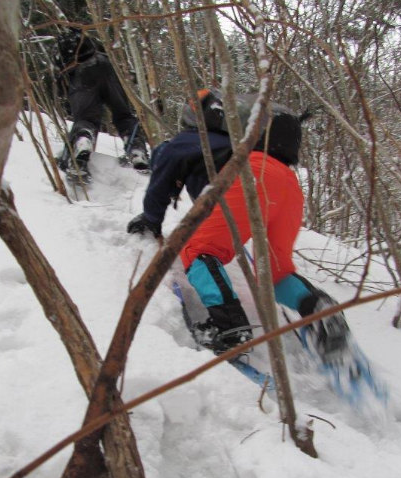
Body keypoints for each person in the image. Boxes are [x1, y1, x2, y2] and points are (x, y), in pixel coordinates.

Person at [130, 92, 349, 357]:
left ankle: (230, 325)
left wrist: (150, 220)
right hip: (288, 184)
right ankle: (322, 313)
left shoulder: (185, 142)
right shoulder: (240, 143)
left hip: (250, 176)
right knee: (275, 270)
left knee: (200, 251)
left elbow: (159, 188)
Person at [53, 19, 149, 183]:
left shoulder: (61, 49)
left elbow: (60, 79)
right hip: (108, 69)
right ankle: (137, 151)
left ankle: (82, 146)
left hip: (82, 76)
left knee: (86, 119)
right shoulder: (91, 41)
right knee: (123, 115)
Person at [126, 88, 232, 237]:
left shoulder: (182, 144)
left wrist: (151, 218)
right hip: (260, 199)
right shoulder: (236, 142)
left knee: (200, 249)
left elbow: (160, 185)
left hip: (221, 209)